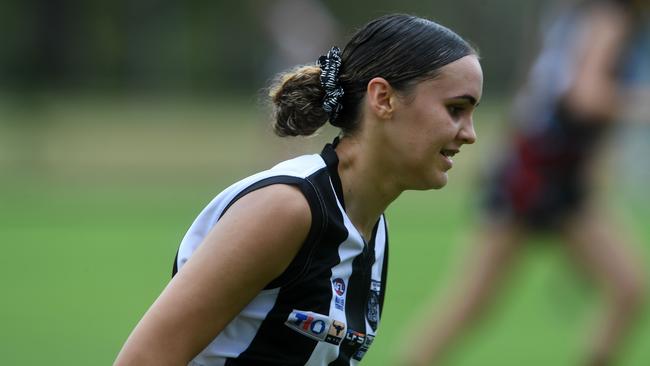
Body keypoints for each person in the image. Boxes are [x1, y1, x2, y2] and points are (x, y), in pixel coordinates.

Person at [114, 13, 483, 365]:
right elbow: (143, 359)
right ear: (383, 98)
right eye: (455, 109)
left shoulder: (371, 227)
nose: (469, 134)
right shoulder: (287, 208)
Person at [403, 1, 648, 365]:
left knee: (628, 288)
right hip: (535, 174)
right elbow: (585, 96)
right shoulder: (608, 18)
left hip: (561, 177)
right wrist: (641, 103)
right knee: (473, 301)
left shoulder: (591, 18)